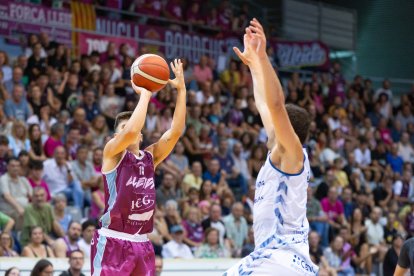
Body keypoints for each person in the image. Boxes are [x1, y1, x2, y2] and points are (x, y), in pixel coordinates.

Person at [225, 19, 318, 275]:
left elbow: (276, 105)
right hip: (279, 258)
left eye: (276, 124)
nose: (269, 124)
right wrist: (254, 65)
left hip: (279, 258)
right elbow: (264, 104)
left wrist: (264, 58)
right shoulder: (279, 149)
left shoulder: (292, 153)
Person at [91, 59, 186, 275]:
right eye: (123, 128)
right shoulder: (112, 152)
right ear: (117, 136)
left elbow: (176, 131)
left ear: (143, 135)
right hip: (114, 240)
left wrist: (181, 90)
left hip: (142, 242)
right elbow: (131, 132)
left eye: (134, 127)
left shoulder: (149, 157)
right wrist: (146, 93)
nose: (132, 130)